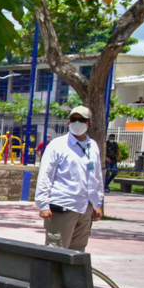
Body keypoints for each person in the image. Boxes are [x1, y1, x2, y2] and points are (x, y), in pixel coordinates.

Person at [35, 105, 104, 251]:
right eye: (74, 119)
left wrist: (98, 202)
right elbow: (45, 175)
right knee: (57, 250)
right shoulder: (57, 145)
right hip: (63, 205)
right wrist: (43, 205)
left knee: (77, 251)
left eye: (82, 120)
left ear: (89, 123)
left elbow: (97, 175)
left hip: (85, 208)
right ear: (68, 122)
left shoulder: (92, 146)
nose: (77, 123)